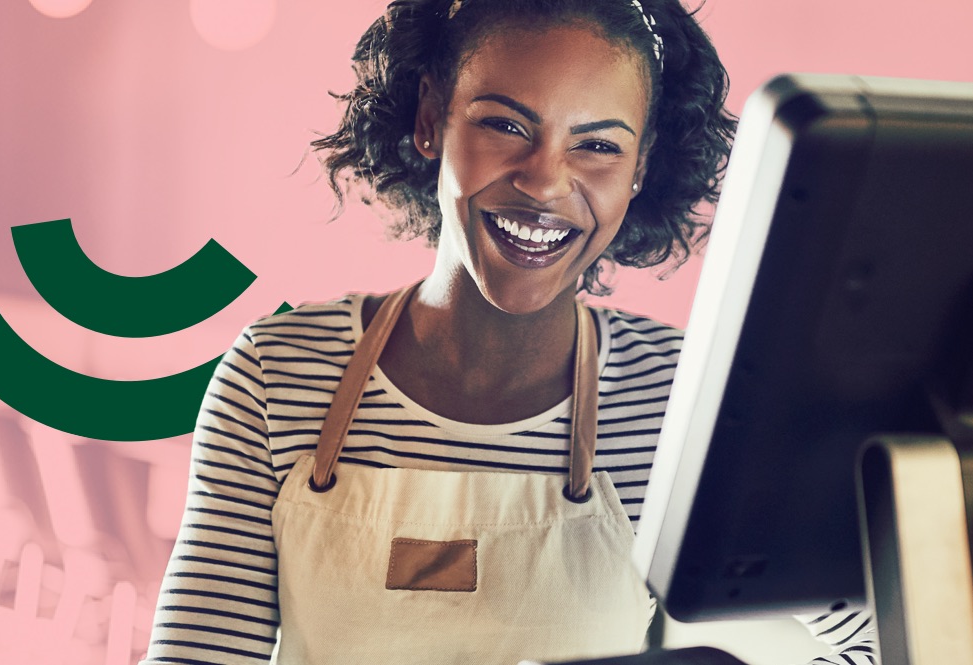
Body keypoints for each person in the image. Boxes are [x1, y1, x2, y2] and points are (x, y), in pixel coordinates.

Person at [141, 1, 874, 663]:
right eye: (504, 125)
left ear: (641, 169)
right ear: (431, 118)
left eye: (597, 146)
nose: (544, 179)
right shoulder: (278, 373)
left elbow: (895, 638)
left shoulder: (683, 401)